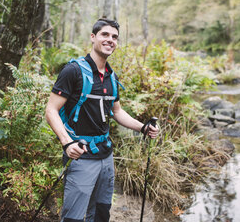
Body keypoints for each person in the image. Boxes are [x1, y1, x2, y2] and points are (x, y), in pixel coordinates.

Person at [45, 18, 159, 222]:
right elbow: (51, 110)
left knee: (100, 213)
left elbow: (117, 111)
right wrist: (67, 143)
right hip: (81, 155)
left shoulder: (111, 77)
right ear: (93, 37)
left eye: (114, 37)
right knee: (74, 217)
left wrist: (143, 127)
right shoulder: (73, 71)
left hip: (106, 157)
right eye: (105, 35)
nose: (110, 40)